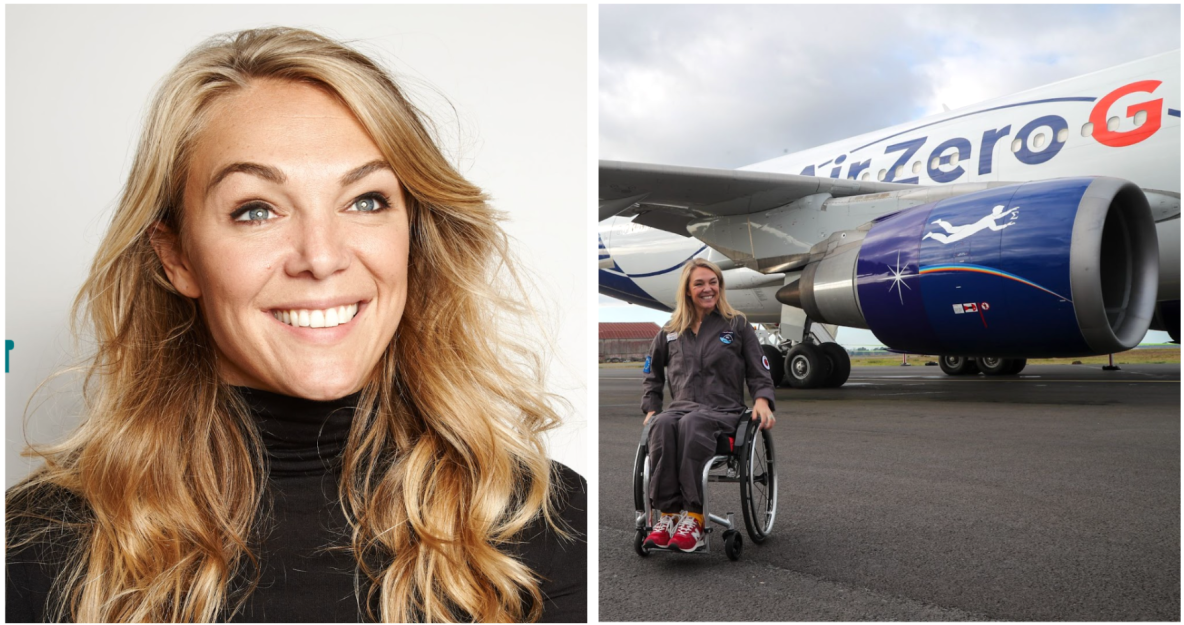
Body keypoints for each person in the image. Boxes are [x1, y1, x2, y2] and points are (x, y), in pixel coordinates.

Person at [5, 27, 585, 623]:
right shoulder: (31, 546)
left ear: (412, 234)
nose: (322, 256)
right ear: (176, 257)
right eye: (256, 210)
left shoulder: (544, 522)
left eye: (365, 201)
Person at [641, 258, 776, 552]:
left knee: (692, 423)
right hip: (681, 407)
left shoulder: (737, 324)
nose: (707, 288)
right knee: (662, 424)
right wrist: (652, 407)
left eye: (713, 282)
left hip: (723, 410)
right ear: (687, 291)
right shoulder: (670, 330)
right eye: (699, 283)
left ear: (720, 286)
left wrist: (762, 400)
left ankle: (695, 518)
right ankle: (668, 515)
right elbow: (651, 373)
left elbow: (759, 369)